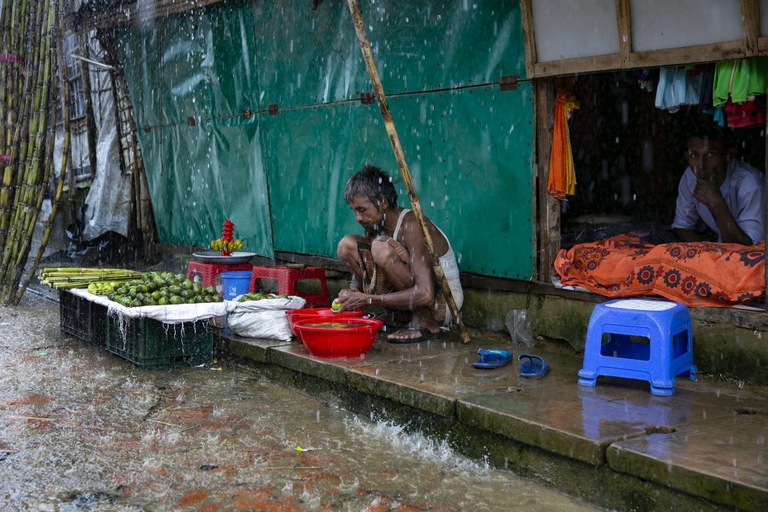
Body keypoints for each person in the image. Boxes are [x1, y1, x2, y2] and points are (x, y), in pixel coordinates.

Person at [335, 165, 463, 343]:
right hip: (414, 297)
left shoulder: (412, 225)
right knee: (346, 245)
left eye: (362, 210)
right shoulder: (375, 224)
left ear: (384, 202)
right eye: (354, 211)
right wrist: (354, 292)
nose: (357, 218)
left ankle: (426, 322)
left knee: (381, 249)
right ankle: (398, 317)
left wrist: (370, 300)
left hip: (442, 301)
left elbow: (426, 293)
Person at [671, 131, 765, 245]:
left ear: (729, 156)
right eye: (695, 155)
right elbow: (681, 226)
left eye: (710, 154)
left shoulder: (750, 185)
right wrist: (709, 252)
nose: (701, 166)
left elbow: (749, 248)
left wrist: (717, 204)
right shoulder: (690, 177)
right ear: (687, 157)